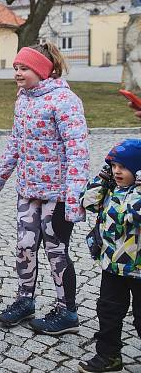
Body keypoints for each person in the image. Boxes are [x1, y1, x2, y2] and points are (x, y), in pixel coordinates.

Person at [0, 43, 89, 335]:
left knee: (56, 250)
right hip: (28, 190)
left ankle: (67, 311)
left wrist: (74, 198)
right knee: (25, 246)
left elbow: (78, 151)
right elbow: (16, 143)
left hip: (57, 194)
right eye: (16, 68)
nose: (18, 73)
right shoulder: (23, 100)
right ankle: (25, 300)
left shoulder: (65, 101)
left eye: (24, 68)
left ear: (42, 70)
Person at [77, 139, 141, 373]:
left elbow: (133, 214)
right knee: (108, 312)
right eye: (113, 166)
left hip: (138, 270)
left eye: (123, 167)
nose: (117, 171)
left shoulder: (137, 195)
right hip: (113, 267)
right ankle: (108, 356)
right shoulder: (112, 189)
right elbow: (88, 201)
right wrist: (103, 177)